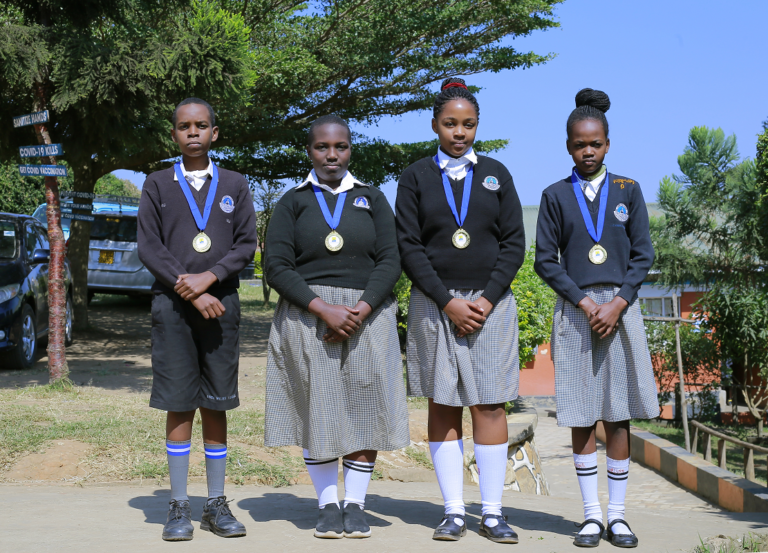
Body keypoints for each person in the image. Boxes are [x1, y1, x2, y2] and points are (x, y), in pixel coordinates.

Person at [263, 114, 409, 539]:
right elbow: (276, 266)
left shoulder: (373, 198)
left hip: (368, 314)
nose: (332, 155)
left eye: (340, 147)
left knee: (366, 406)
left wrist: (360, 309)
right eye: (322, 148)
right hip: (309, 314)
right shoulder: (293, 201)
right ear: (309, 151)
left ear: (350, 150)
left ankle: (356, 504)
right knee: (318, 407)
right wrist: (322, 308)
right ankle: (327, 504)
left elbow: (390, 260)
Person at [395, 78, 526, 543]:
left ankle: (492, 512)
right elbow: (409, 247)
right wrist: (447, 301)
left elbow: (514, 245)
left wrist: (486, 299)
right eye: (450, 124)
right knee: (443, 402)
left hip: (490, 307)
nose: (459, 133)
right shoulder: (414, 176)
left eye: (467, 124)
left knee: (489, 403)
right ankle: (453, 511)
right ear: (435, 125)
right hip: (435, 306)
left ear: (477, 127)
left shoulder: (497, 173)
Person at [534, 88, 658, 549]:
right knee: (582, 416)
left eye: (596, 144)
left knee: (618, 414)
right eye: (579, 144)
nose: (588, 151)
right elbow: (545, 260)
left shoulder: (629, 190)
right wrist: (586, 304)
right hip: (576, 312)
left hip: (621, 312)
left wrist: (619, 301)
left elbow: (643, 255)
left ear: (608, 143)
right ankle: (590, 516)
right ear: (568, 146)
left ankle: (619, 517)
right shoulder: (554, 195)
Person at [137, 97, 257, 542]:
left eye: (202, 125)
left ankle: (216, 503)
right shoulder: (157, 184)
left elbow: (246, 244)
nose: (193, 132)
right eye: (184, 126)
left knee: (218, 403)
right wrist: (188, 288)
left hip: (221, 306)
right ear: (174, 134)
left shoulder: (235, 184)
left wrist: (211, 277)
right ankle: (178, 505)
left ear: (214, 133)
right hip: (172, 308)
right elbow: (150, 247)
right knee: (178, 401)